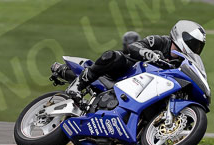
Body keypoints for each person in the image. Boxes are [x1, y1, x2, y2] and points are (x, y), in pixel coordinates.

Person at [68, 19, 206, 100]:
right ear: (183, 37)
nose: (196, 49)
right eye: (194, 44)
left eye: (199, 46)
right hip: (129, 70)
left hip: (150, 86)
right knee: (113, 56)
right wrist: (147, 53)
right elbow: (134, 46)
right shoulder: (161, 41)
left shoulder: (182, 61)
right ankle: (78, 85)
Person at [49, 31, 142, 86]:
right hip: (110, 80)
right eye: (129, 43)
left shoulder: (141, 59)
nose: (130, 46)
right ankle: (75, 76)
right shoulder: (118, 54)